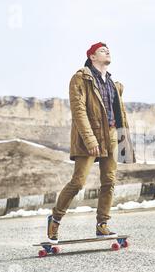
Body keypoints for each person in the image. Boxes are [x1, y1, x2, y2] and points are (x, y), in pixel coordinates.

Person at [46, 42, 135, 243]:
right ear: (92, 56)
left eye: (108, 49)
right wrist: (89, 138)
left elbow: (118, 114)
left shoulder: (113, 83)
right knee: (78, 181)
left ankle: (102, 224)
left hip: (111, 135)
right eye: (103, 50)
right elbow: (79, 111)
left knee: (109, 181)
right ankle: (56, 218)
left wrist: (121, 140)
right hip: (90, 136)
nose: (108, 51)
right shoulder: (80, 78)